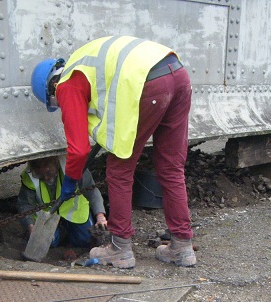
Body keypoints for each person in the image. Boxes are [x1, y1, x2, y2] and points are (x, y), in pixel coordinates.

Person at [30, 35, 196, 268]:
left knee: (119, 170)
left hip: (148, 82)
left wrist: (70, 181)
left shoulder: (67, 84)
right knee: (171, 167)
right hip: (176, 72)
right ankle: (182, 247)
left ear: (51, 87)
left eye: (54, 104)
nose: (60, 107)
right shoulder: (85, 64)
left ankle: (120, 249)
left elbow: (78, 151)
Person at [17, 156, 107, 249]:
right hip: (48, 215)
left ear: (56, 163)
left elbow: (91, 191)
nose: (46, 177)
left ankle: (69, 235)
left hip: (75, 211)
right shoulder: (29, 176)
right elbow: (25, 204)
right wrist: (31, 227)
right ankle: (62, 233)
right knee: (48, 243)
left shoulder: (74, 167)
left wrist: (100, 216)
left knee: (86, 240)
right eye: (40, 174)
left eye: (48, 172)